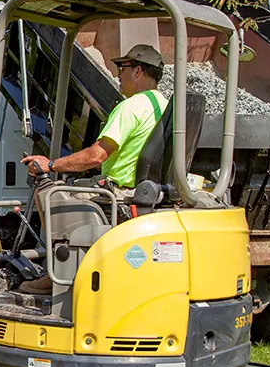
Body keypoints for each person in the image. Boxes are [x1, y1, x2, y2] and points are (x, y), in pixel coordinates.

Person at [18, 44, 168, 293]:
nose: (118, 75)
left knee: (48, 193)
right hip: (148, 191)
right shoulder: (164, 106)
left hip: (119, 194)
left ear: (138, 71)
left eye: (123, 68)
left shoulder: (130, 107)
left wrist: (51, 164)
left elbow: (96, 155)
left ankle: (57, 274)